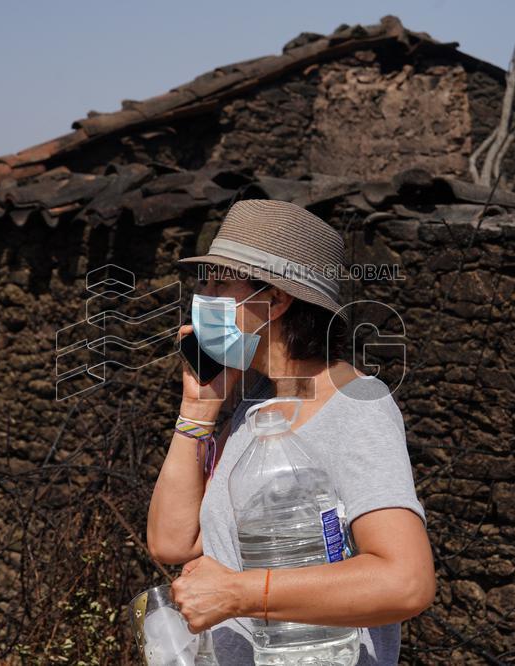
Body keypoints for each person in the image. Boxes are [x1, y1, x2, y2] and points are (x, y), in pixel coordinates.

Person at [146, 199, 435, 665]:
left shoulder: (357, 405)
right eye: (203, 281)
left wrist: (238, 595)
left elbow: (406, 582)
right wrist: (197, 410)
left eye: (219, 283)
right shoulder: (259, 405)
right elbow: (173, 542)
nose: (201, 297)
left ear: (276, 300)